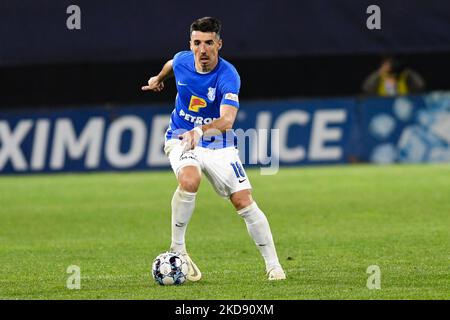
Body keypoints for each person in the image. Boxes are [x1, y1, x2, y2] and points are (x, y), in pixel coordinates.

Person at [142, 17, 286, 281]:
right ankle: (178, 249)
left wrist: (200, 131)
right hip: (181, 136)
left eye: (209, 43)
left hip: (218, 143)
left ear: (219, 44)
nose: (203, 50)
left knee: (243, 201)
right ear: (190, 44)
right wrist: (158, 78)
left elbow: (228, 120)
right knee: (189, 178)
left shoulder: (228, 75)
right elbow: (171, 65)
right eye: (197, 43)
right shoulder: (183, 60)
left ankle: (274, 265)